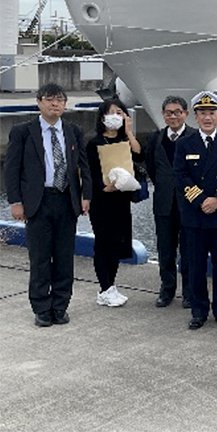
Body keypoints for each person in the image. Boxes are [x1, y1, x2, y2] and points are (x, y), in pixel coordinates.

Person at [5, 83, 92, 327]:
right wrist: (16, 202)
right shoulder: (23, 131)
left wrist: (86, 196)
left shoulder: (73, 131)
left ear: (65, 104)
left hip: (67, 200)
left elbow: (83, 167)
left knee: (64, 257)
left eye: (60, 100)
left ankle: (60, 305)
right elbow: (12, 170)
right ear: (39, 102)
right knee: (40, 257)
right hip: (38, 202)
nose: (55, 104)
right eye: (50, 99)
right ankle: (41, 307)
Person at [173, 91, 217, 330]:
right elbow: (180, 176)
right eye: (203, 113)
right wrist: (201, 199)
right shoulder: (184, 144)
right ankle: (198, 311)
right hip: (195, 216)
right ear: (195, 116)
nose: (207, 117)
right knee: (196, 266)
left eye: (212, 113)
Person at [86, 98, 143, 308]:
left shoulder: (125, 141)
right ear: (102, 117)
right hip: (103, 200)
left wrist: (128, 131)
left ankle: (111, 286)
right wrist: (105, 188)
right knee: (103, 243)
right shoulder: (94, 143)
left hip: (122, 199)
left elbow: (139, 155)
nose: (115, 116)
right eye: (111, 112)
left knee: (117, 243)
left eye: (120, 112)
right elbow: (89, 174)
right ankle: (104, 288)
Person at [145, 96, 196, 308]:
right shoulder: (155, 139)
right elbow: (151, 168)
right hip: (164, 203)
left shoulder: (195, 137)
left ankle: (189, 292)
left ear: (185, 114)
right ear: (163, 114)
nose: (173, 116)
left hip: (189, 203)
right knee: (165, 249)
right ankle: (167, 290)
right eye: (168, 112)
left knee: (190, 250)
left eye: (177, 112)